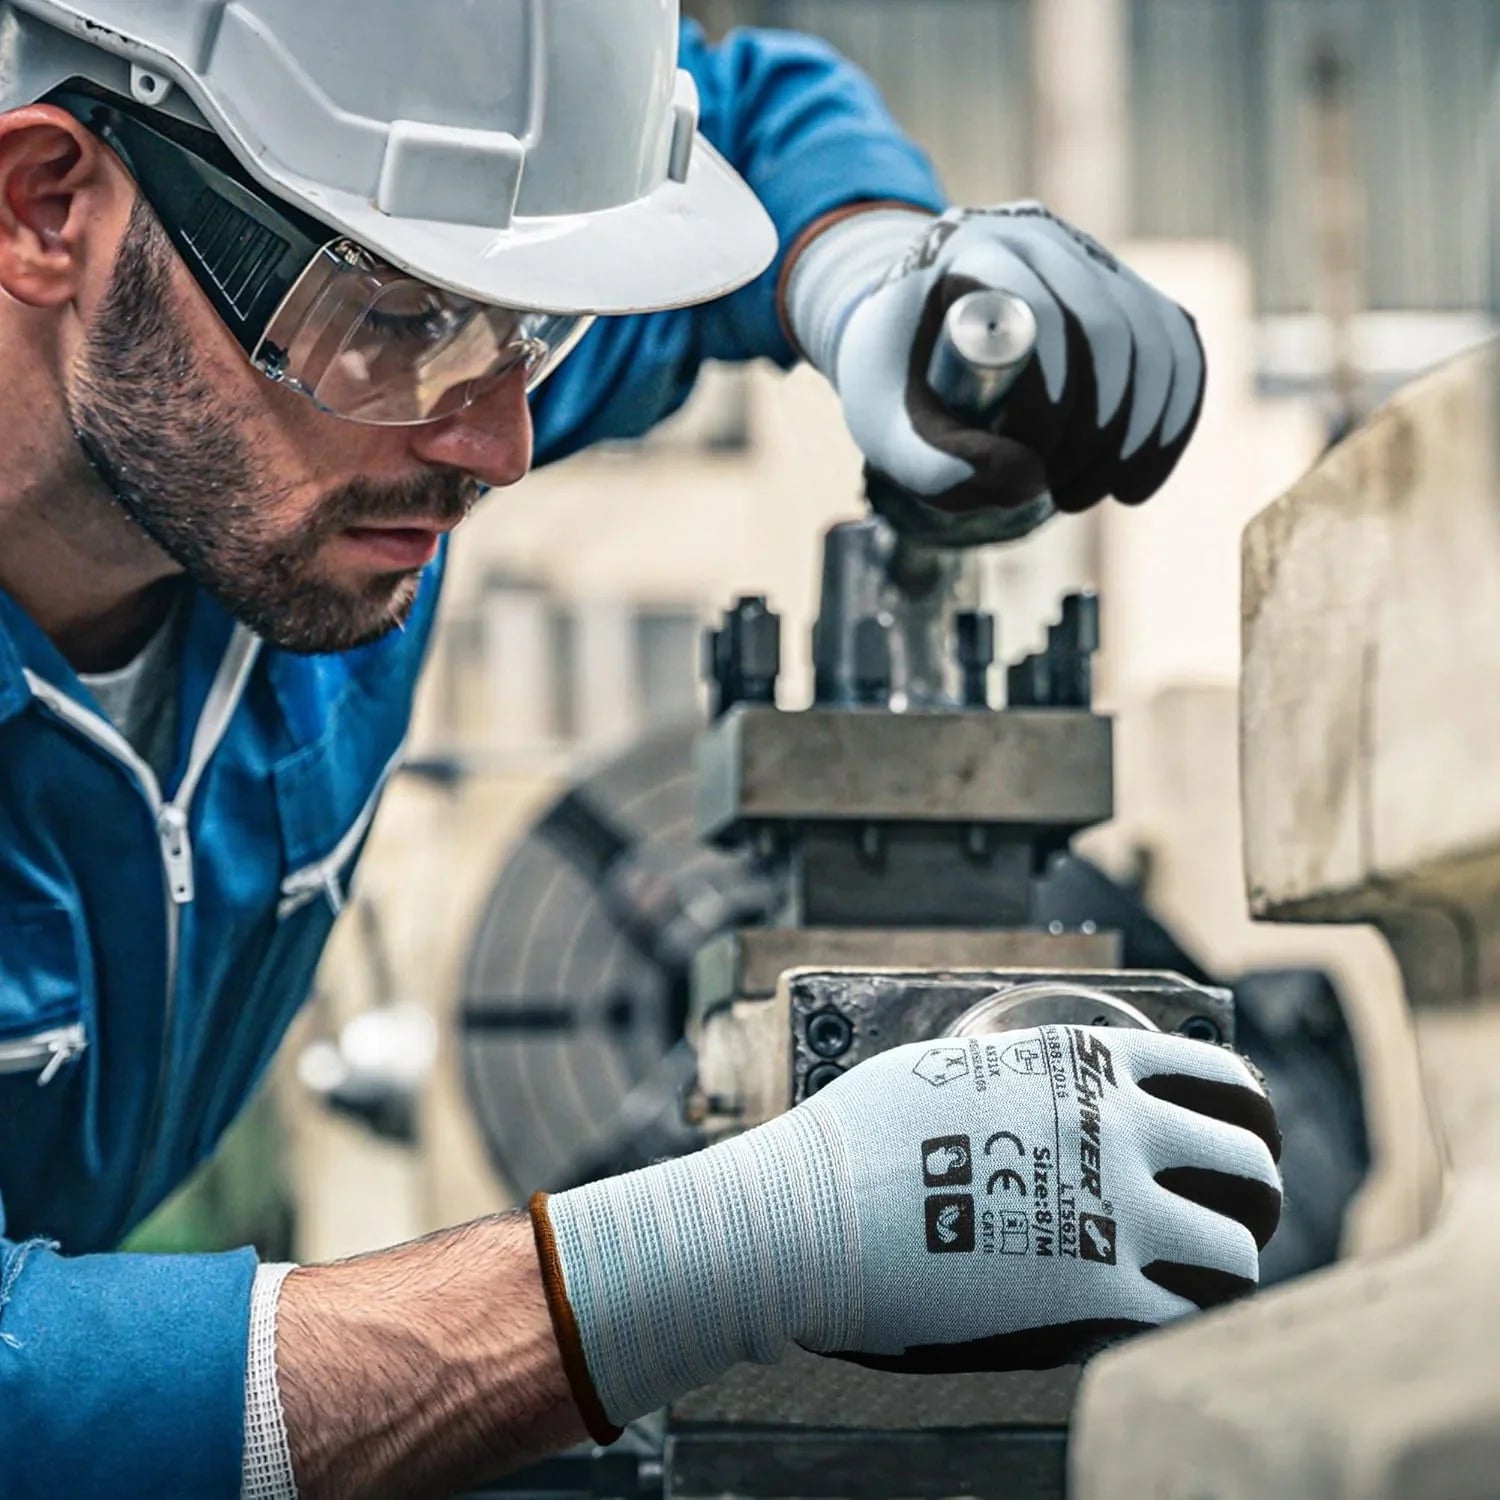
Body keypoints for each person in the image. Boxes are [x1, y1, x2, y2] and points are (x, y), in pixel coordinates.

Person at [0, 3, 1281, 1497]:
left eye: (538, 331)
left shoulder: (317, 440)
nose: (500, 444)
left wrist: (878, 276)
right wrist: (715, 1255)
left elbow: (741, 117)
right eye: (402, 320)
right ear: (46, 205)